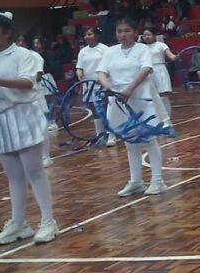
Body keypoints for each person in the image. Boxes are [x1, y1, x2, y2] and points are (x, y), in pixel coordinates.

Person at [0, 12, 58, 244]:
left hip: (24, 115)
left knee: (34, 171)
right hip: (1, 120)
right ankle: (19, 222)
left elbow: (27, 82)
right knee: (13, 176)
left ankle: (48, 221)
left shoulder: (26, 55)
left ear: (7, 33)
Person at [96, 18, 167, 197]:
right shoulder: (110, 51)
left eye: (127, 30)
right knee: (129, 141)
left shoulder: (143, 49)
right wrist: (109, 87)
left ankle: (158, 180)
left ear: (135, 32)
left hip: (141, 97)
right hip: (119, 101)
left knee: (149, 138)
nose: (123, 34)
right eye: (119, 31)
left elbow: (145, 69)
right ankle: (136, 181)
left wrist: (128, 89)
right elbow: (101, 73)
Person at [75, 27, 112, 146]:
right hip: (88, 84)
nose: (87, 37)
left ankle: (110, 134)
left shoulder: (104, 49)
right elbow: (79, 67)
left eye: (90, 34)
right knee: (94, 109)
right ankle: (99, 134)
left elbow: (109, 65)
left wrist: (102, 78)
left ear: (96, 35)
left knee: (104, 109)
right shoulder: (83, 51)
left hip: (102, 83)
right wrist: (79, 74)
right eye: (85, 35)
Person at [140, 29, 176, 129]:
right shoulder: (141, 48)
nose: (146, 37)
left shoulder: (161, 45)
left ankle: (167, 120)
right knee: (151, 97)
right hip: (147, 72)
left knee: (163, 96)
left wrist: (174, 57)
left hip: (160, 70)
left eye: (148, 34)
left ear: (154, 35)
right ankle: (157, 120)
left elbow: (170, 55)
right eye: (144, 35)